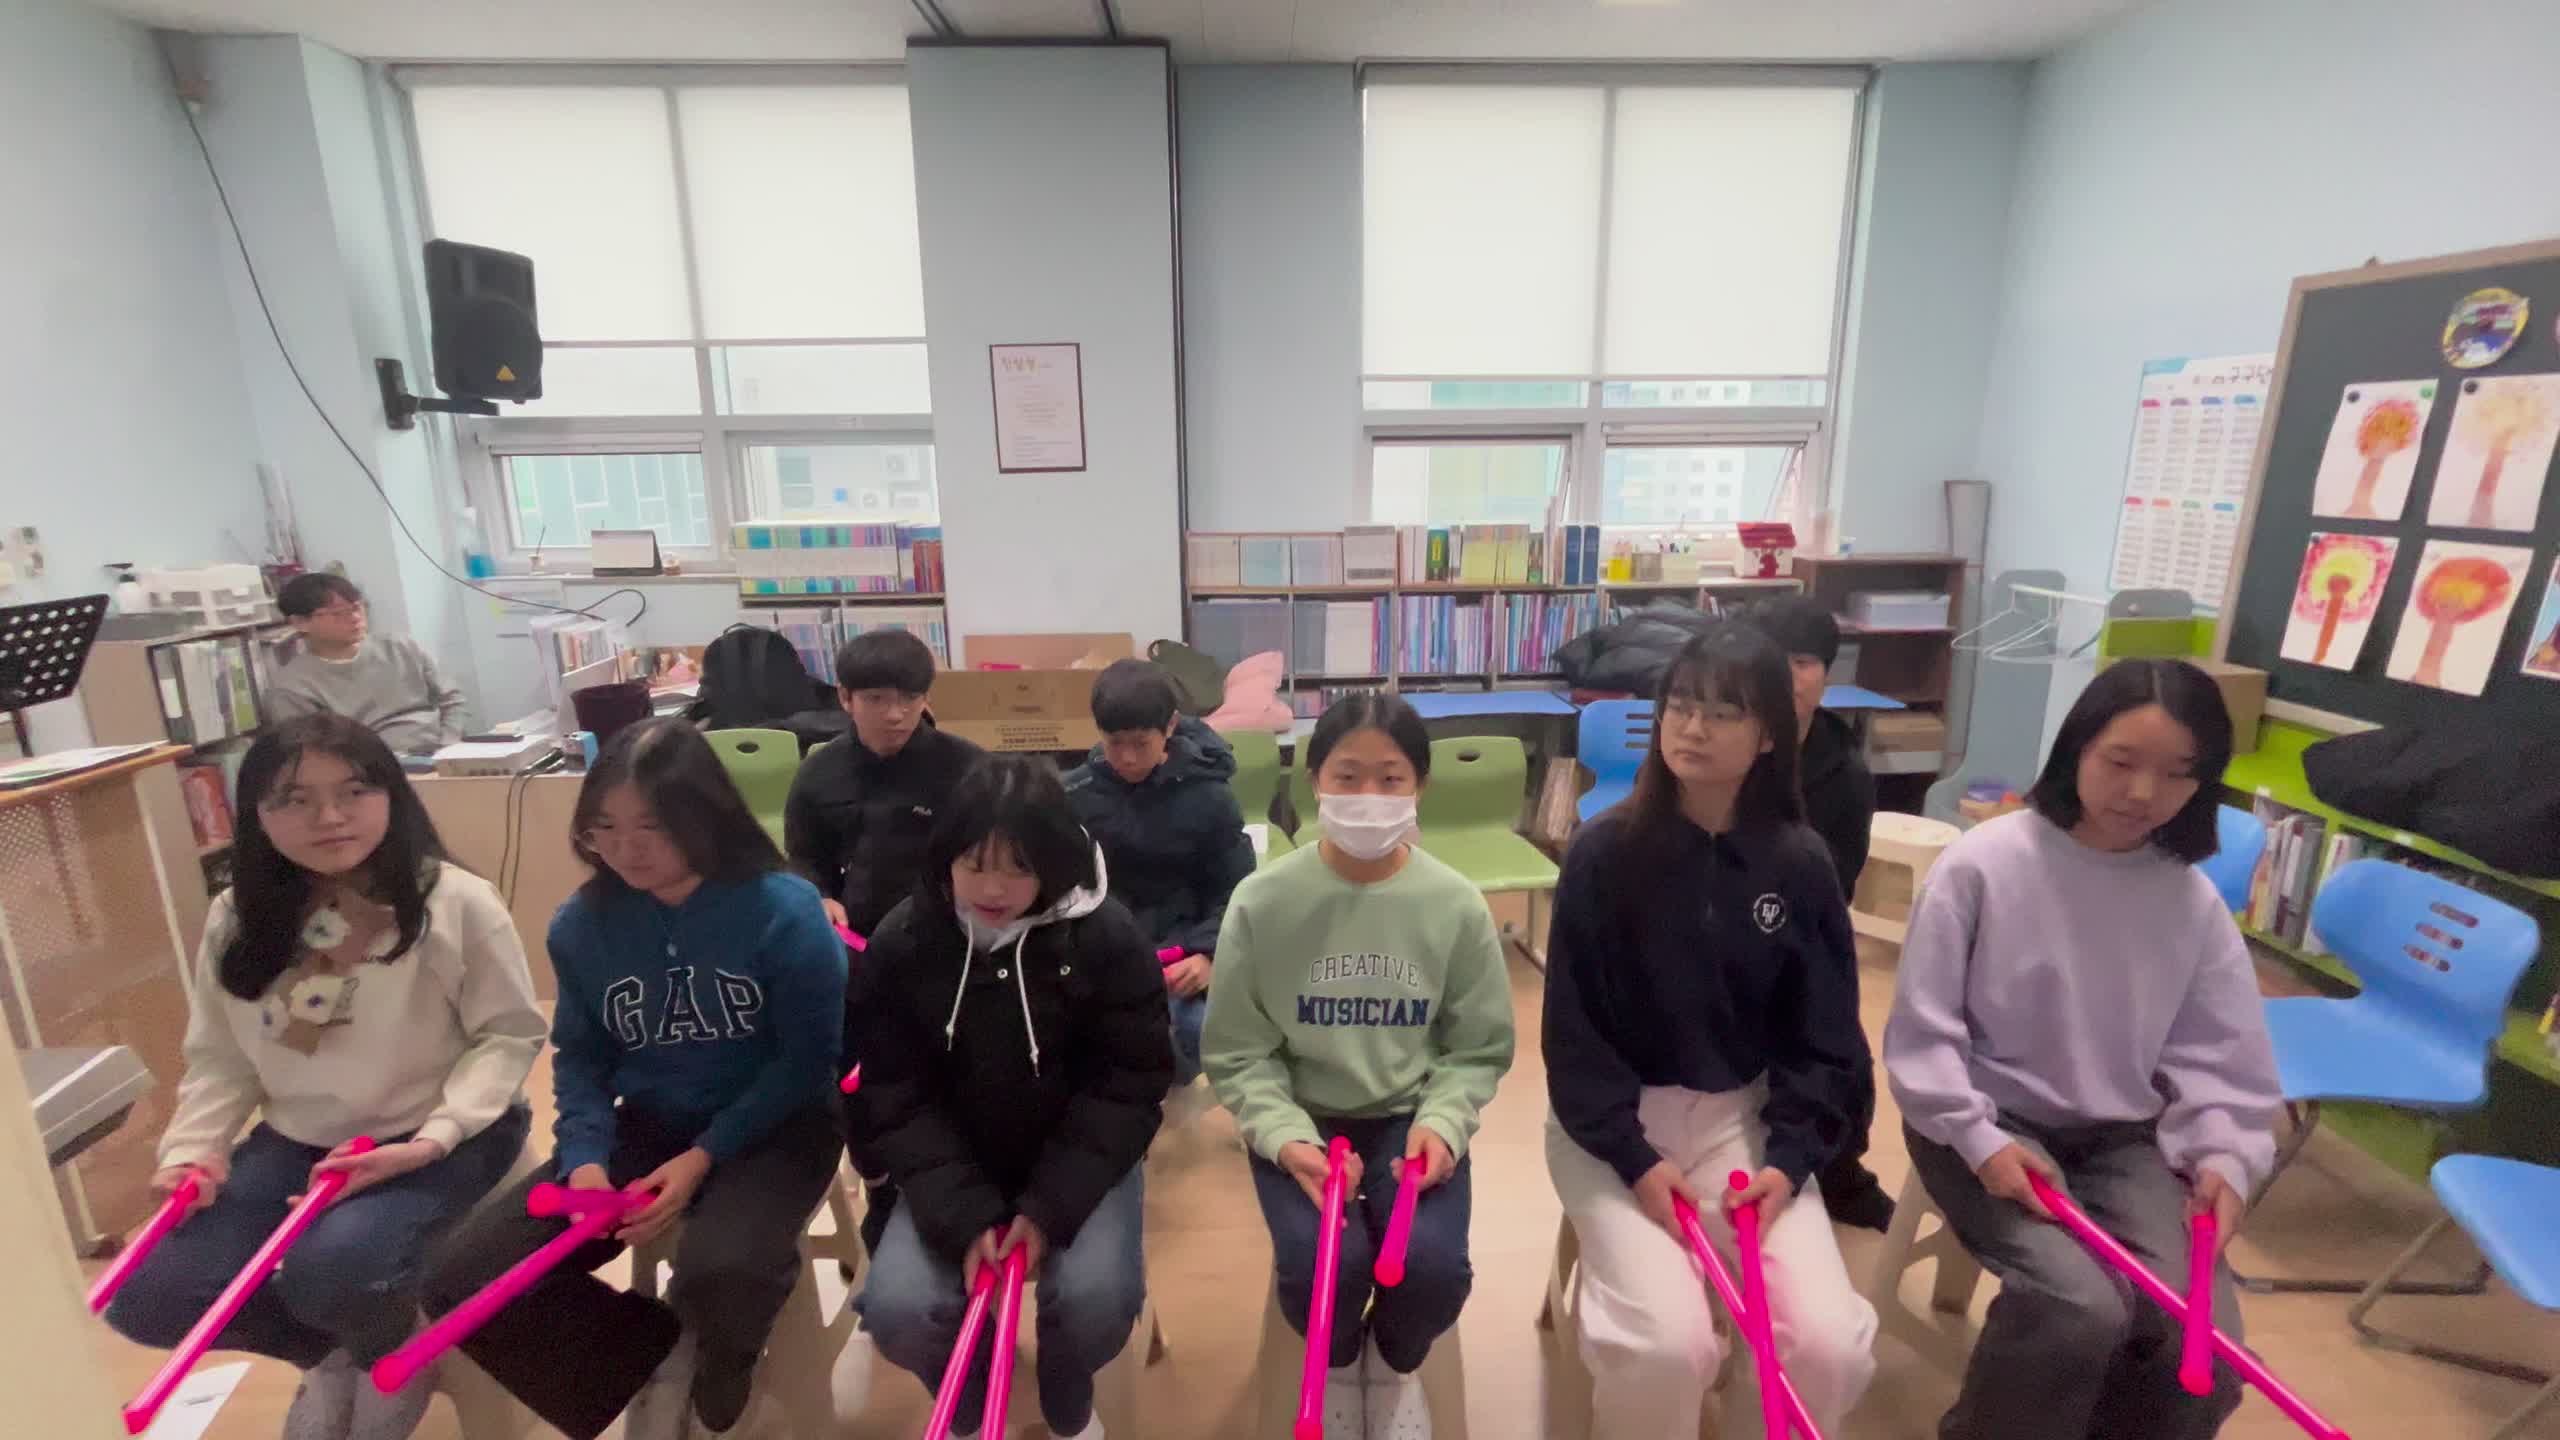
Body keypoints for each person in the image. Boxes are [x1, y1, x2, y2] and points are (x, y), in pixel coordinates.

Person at [105, 714, 543, 1440]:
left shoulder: (455, 900)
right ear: (256, 814)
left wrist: (434, 1139)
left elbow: (508, 1035)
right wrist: (192, 1151)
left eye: (353, 791)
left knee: (332, 1272)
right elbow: (220, 1056)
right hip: (300, 1140)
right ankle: (346, 1356)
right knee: (149, 1296)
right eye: (295, 799)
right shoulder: (236, 915)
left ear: (392, 794)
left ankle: (384, 1349)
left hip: (442, 1135)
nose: (330, 817)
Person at [1883, 658, 2280, 1440]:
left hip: (2125, 1138)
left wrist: (2225, 1157)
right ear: (2076, 749)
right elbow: (1923, 1038)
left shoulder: (2190, 900)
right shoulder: (1983, 865)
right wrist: (1981, 1140)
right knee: (2078, 1307)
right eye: (2120, 761)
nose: (2142, 793)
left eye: (2177, 773)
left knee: (2203, 1348)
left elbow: (2223, 1059)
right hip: (1982, 1123)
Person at [423, 718, 846, 1440]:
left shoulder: (784, 910)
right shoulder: (581, 925)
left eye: (653, 826)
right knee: (462, 1279)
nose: (627, 849)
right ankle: (653, 1355)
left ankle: (724, 1360)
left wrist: (703, 1156)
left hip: (778, 1124)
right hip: (649, 1123)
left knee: (721, 1269)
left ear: (706, 816)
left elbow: (807, 1062)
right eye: (605, 828)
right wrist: (586, 1159)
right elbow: (582, 1057)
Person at [1542, 623, 1878, 1438]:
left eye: (1723, 713)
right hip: (1613, 1129)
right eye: (1681, 706)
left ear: (1769, 734)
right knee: (1668, 1348)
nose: (1693, 727)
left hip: (1745, 1124)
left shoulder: (1799, 863)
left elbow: (1826, 1037)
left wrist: (1791, 1160)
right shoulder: (1602, 854)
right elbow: (1574, 1039)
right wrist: (1634, 1159)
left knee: (1828, 1347)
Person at [1202, 692, 1516, 1440]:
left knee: (1433, 1271)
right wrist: (1285, 1136)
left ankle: (1394, 1361)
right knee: (1324, 1266)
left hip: (1411, 1120)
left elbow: (1477, 1047)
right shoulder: (1263, 901)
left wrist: (1444, 1122)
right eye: (1347, 776)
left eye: (1391, 778)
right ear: (1313, 780)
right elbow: (1239, 1052)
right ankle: (1340, 1359)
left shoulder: (1454, 904)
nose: (1368, 796)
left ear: (1420, 787)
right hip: (1304, 1117)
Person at [848, 755, 1172, 1439]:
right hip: (953, 1164)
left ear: (1054, 864)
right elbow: (895, 1094)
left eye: (1020, 868)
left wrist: (1049, 1208)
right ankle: (969, 1402)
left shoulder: (1107, 939)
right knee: (899, 1310)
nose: (993, 888)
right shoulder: (905, 940)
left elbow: (1129, 1086)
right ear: (945, 859)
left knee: (1095, 1302)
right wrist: (962, 1215)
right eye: (974, 864)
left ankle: (1066, 1401)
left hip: (1079, 1164)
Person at [1740, 595, 1895, 1231]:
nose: (1787, 677)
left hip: (1798, 938)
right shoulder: (1724, 742)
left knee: (1842, 1051)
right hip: (1709, 929)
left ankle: (1840, 1172)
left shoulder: (1844, 772)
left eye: (1803, 662)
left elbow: (1835, 891)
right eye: (1772, 660)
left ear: (1826, 675)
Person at [1064, 658, 1257, 1088]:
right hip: (1105, 954)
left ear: (1170, 726)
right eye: (1115, 743)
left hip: (1182, 954)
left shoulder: (1210, 797)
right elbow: (1063, 889)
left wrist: (1209, 956)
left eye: (1141, 743)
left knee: (1202, 1034)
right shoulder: (1075, 796)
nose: (1128, 758)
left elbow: (1237, 889)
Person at [784, 628, 984, 937]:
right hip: (854, 928)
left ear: (926, 697)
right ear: (845, 697)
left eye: (909, 698)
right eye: (876, 699)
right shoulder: (819, 772)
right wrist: (819, 897)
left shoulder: (968, 767)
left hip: (949, 927)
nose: (894, 715)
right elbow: (805, 857)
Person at [269, 573, 468, 756]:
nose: (355, 618)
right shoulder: (291, 687)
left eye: (356, 607)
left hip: (442, 751)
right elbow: (312, 752)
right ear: (300, 622)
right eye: (337, 613)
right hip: (373, 768)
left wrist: (448, 746)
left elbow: (453, 699)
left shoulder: (401, 647)